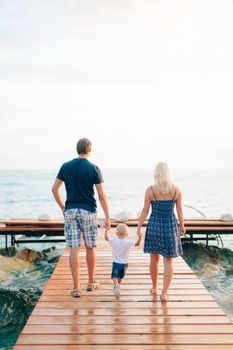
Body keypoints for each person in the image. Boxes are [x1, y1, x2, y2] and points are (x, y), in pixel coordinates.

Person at [52, 138, 110, 298]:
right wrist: (107, 218)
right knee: (90, 247)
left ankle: (76, 288)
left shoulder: (65, 166)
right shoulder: (94, 168)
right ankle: (91, 283)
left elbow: (54, 189)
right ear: (89, 149)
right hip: (88, 212)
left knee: (74, 249)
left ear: (77, 149)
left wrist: (63, 207)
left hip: (70, 211)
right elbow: (102, 196)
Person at [137, 162, 185, 302]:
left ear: (156, 174)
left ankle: (154, 287)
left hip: (155, 226)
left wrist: (139, 226)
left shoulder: (150, 190)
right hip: (170, 226)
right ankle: (164, 293)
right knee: (168, 260)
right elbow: (180, 210)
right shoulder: (176, 189)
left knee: (154, 259)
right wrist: (182, 226)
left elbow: (145, 210)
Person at [105, 223, 141, 298]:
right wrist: (140, 237)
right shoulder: (128, 242)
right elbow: (137, 244)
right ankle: (119, 286)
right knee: (120, 276)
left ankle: (116, 285)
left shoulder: (114, 240)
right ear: (127, 234)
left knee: (114, 276)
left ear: (116, 233)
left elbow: (106, 238)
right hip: (124, 264)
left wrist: (106, 230)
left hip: (116, 263)